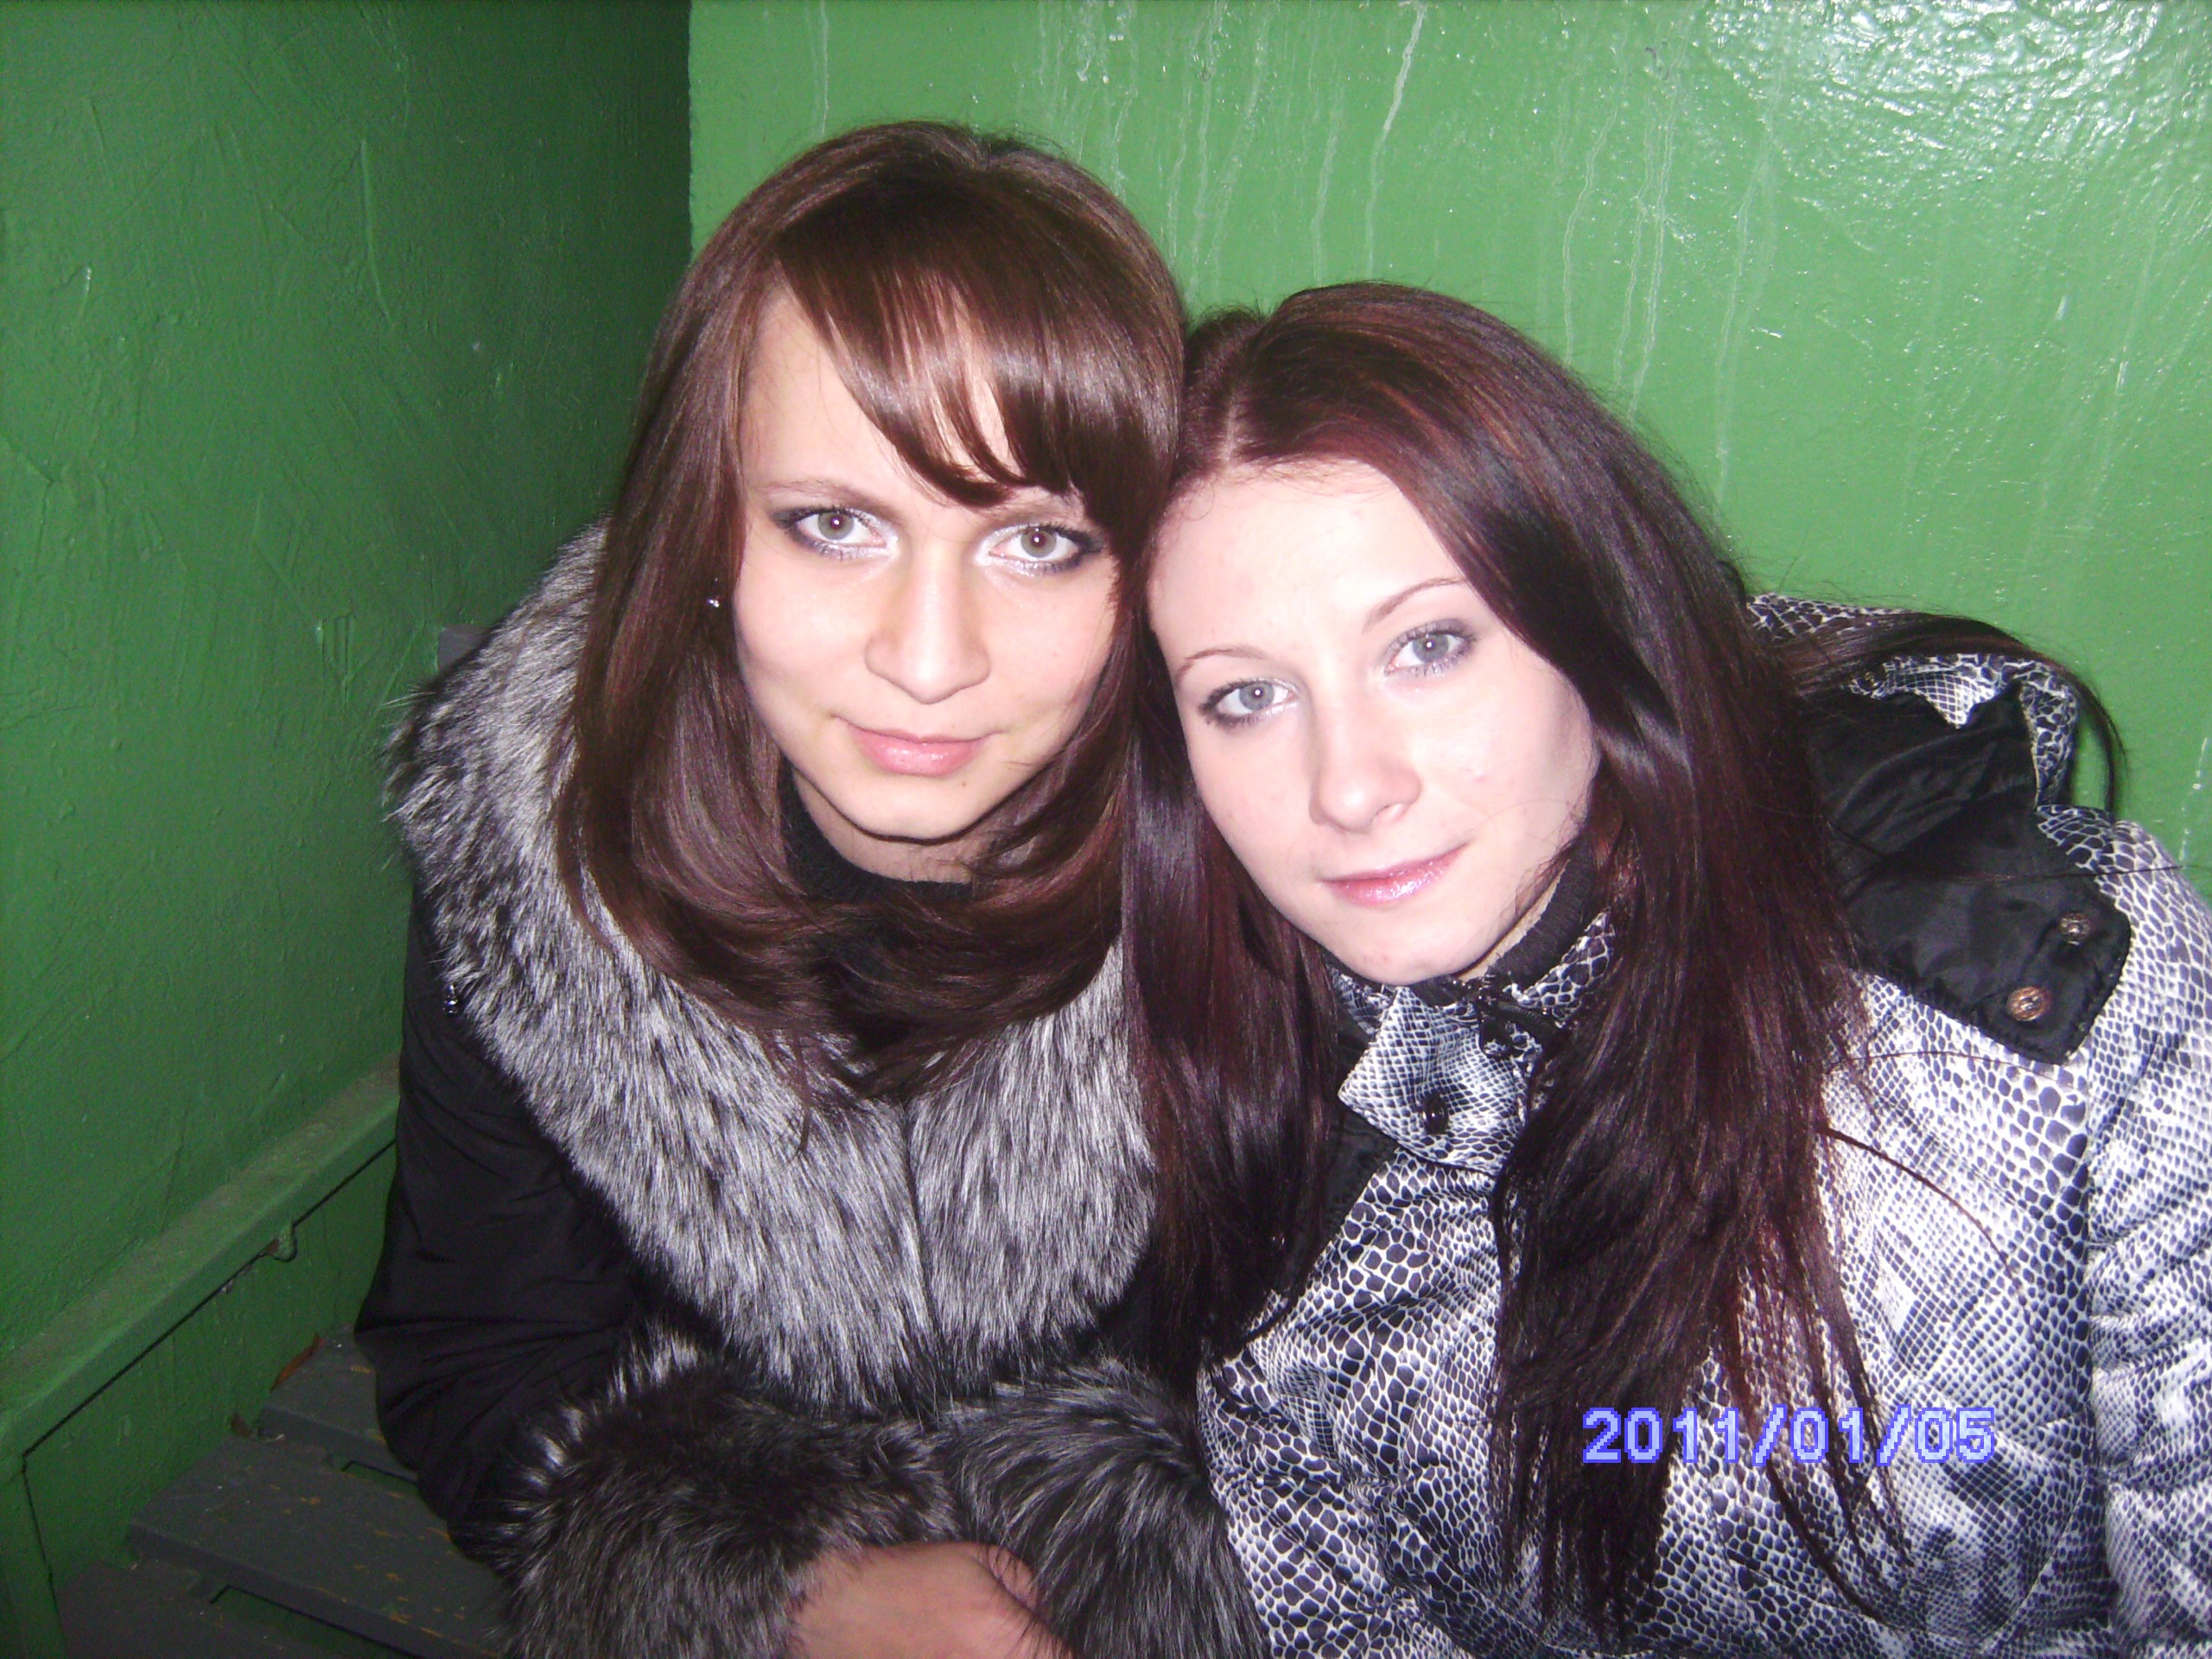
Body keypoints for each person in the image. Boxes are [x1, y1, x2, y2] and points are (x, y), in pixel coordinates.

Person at [1127, 283, 2212, 1656]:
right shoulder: (1246, 1098)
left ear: (1598, 628)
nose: (1348, 787)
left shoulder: (2048, 979)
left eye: (1428, 647)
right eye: (1246, 696)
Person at [357, 124, 1263, 1659]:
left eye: (1039, 542)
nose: (929, 658)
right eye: (835, 524)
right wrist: (789, 1598)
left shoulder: (1248, 830)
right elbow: (479, 1359)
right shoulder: (543, 834)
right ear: (708, 521)